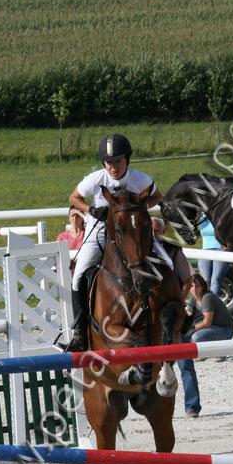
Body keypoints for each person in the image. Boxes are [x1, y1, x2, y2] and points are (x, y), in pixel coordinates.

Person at [65, 133, 162, 351]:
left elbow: (157, 196)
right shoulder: (96, 179)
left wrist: (139, 209)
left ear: (127, 159)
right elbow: (74, 197)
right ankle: (80, 331)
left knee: (161, 261)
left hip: (129, 232)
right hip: (99, 230)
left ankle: (169, 312)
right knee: (78, 274)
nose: (113, 167)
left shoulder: (140, 179)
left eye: (117, 161)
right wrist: (90, 209)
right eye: (108, 162)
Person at [151, 217, 201, 419]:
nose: (153, 234)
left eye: (156, 230)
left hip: (173, 312)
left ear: (162, 232)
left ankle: (192, 406)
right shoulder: (139, 249)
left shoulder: (173, 250)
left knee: (185, 362)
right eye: (150, 230)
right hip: (150, 314)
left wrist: (179, 302)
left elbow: (188, 279)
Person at [187, 273, 233, 343]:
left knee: (196, 337)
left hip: (225, 329)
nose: (194, 288)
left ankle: (216, 349)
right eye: (191, 286)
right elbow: (189, 318)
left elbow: (207, 323)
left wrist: (190, 330)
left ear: (202, 287)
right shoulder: (192, 299)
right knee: (182, 336)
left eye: (196, 285)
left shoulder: (207, 297)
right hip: (211, 327)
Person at [198, 216, 229, 297]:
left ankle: (211, 303)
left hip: (221, 250)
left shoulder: (220, 214)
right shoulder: (200, 217)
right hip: (205, 250)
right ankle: (204, 302)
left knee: (215, 281)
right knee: (204, 281)